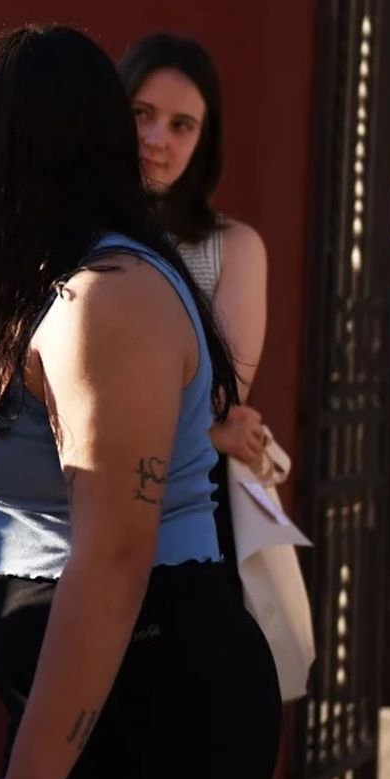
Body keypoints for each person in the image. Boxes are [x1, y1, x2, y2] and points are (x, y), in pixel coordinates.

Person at [0, 0, 280, 779]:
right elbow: (10, 91)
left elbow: (111, 555)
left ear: (16, 149)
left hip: (161, 706)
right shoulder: (51, 276)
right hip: (104, 704)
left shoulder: (108, 298)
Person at [119, 35, 270, 589]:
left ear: (204, 141)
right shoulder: (71, 234)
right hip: (69, 520)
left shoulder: (234, 247)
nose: (157, 140)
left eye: (182, 126)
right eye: (141, 114)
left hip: (187, 522)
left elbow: (221, 408)